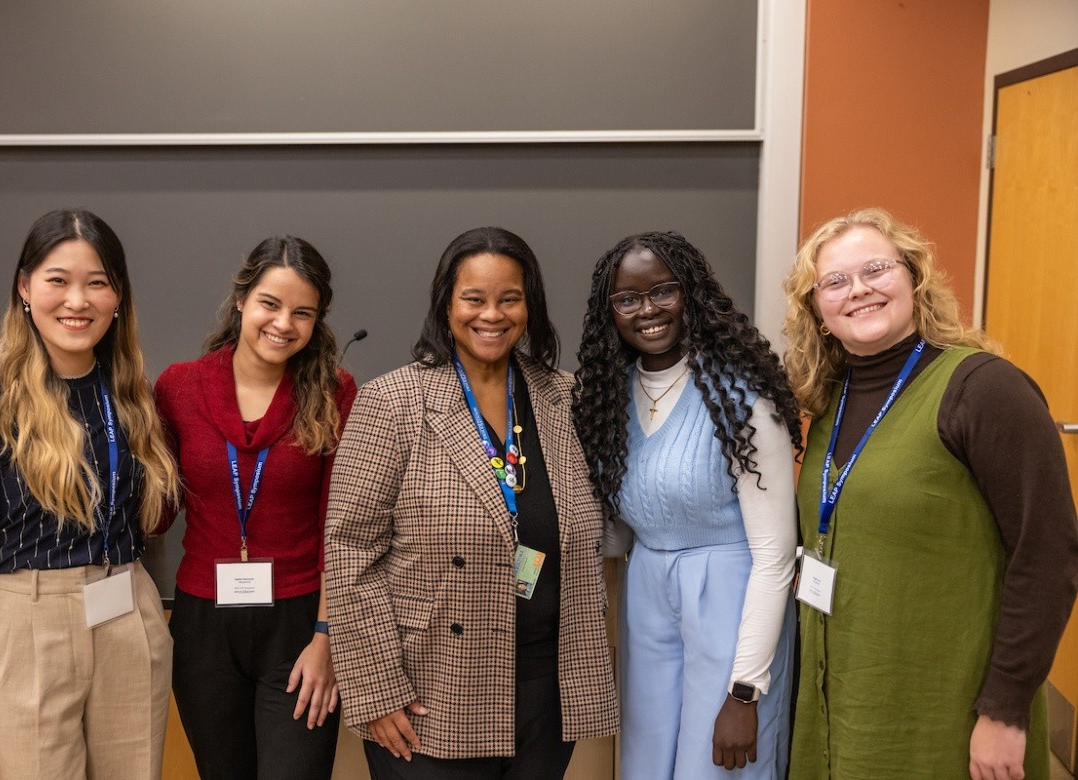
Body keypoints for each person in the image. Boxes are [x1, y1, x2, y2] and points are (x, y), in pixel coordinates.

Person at [782, 208, 1078, 780]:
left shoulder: (985, 389)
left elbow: (1047, 555)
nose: (858, 290)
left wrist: (1005, 710)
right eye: (835, 281)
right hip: (843, 697)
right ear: (817, 311)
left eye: (876, 269)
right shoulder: (831, 401)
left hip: (947, 707)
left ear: (914, 278)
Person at [325, 227, 619, 779]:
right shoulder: (392, 402)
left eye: (510, 299)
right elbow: (349, 552)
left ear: (529, 306)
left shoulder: (567, 397)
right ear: (446, 304)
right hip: (430, 692)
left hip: (547, 690)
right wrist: (376, 689)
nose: (492, 314)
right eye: (474, 298)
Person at [0, 208, 180, 778]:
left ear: (117, 297)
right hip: (28, 626)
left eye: (97, 283)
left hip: (127, 613)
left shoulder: (132, 396)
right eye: (58, 281)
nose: (78, 301)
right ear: (24, 289)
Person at [573, 231, 802, 778]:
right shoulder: (607, 397)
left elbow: (775, 556)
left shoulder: (740, 396)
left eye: (663, 291)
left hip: (732, 593)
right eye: (627, 299)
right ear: (610, 313)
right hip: (647, 587)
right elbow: (622, 533)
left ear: (691, 294)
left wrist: (745, 691)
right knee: (645, 762)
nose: (647, 310)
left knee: (717, 766)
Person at [154, 235, 356, 780]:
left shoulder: (333, 391)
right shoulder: (179, 387)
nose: (283, 323)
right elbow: (157, 514)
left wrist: (326, 638)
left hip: (300, 625)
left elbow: (338, 529)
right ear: (242, 299)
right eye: (270, 303)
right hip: (204, 624)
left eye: (302, 313)